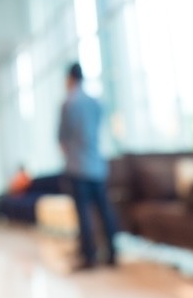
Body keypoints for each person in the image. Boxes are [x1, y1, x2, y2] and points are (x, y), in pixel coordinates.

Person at [58, 62, 119, 271]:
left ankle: (90, 257)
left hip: (78, 167)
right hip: (97, 166)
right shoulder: (96, 102)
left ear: (70, 78)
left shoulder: (68, 103)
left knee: (83, 213)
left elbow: (62, 138)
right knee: (104, 210)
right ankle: (112, 253)